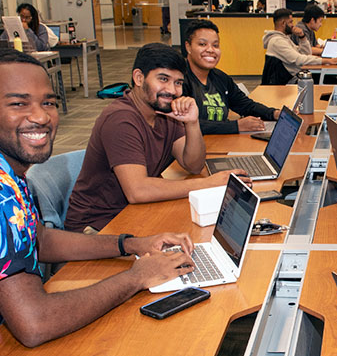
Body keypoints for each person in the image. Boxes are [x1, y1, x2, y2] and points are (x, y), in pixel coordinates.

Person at [0, 49, 195, 348]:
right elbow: (35, 323)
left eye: (48, 102)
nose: (40, 116)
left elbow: (38, 239)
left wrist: (130, 244)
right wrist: (136, 277)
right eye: (18, 103)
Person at [65, 43, 249, 232]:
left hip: (133, 212)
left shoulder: (163, 113)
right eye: (163, 79)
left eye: (178, 83)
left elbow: (193, 164)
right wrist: (208, 184)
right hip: (99, 227)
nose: (172, 90)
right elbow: (138, 191)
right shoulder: (121, 119)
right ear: (139, 78)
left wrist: (192, 123)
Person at [183, 19, 279, 134]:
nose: (210, 50)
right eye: (202, 44)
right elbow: (184, 124)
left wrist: (274, 113)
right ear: (188, 47)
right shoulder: (179, 81)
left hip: (220, 143)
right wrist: (235, 126)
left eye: (215, 45)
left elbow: (245, 105)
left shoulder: (220, 77)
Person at [262, 8, 337, 81]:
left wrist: (302, 37)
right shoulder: (277, 42)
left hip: (295, 76)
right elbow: (299, 59)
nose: (293, 25)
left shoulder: (284, 38)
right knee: (330, 82)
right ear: (283, 23)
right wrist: (329, 61)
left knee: (330, 80)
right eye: (290, 22)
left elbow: (306, 53)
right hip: (290, 81)